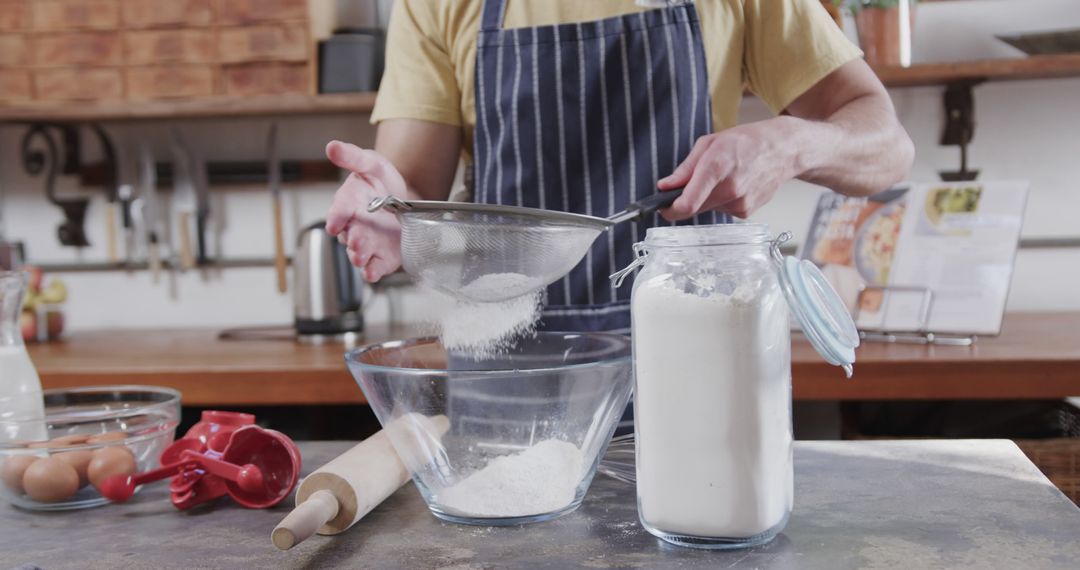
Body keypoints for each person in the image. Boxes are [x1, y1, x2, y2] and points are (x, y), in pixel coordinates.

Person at [325, 0, 914, 333]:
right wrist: (388, 211)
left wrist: (790, 144)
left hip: (698, 353)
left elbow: (888, 146)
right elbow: (411, 189)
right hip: (513, 363)